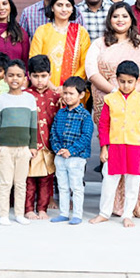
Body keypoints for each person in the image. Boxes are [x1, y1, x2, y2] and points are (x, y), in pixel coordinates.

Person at [94, 60, 140, 227]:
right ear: (116, 80)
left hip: (135, 146)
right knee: (109, 181)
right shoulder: (110, 100)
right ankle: (104, 213)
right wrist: (104, 148)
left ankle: (128, 214)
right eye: (122, 81)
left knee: (133, 182)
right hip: (115, 146)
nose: (126, 85)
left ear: (137, 81)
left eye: (130, 82)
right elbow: (103, 125)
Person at [0, 58, 40, 225]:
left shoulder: (29, 99)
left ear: (25, 78)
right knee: (5, 182)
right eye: (11, 75)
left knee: (20, 183)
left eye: (18, 75)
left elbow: (33, 125)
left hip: (24, 148)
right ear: (5, 78)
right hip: (5, 148)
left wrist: (32, 146)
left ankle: (19, 214)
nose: (14, 79)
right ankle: (3, 214)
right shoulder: (1, 99)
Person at [28, 0, 91, 93]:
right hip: (44, 89)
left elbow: (85, 65)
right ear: (52, 8)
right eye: (59, 5)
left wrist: (67, 88)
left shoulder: (81, 32)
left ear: (72, 9)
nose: (64, 9)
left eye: (68, 5)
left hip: (73, 92)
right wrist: (52, 87)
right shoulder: (42, 31)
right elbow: (34, 61)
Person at [49, 77, 94, 224]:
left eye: (71, 93)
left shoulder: (85, 115)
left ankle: (77, 215)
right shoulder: (60, 113)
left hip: (76, 158)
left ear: (81, 95)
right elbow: (53, 133)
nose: (67, 96)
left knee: (76, 187)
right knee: (62, 186)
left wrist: (71, 151)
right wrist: (58, 149)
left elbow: (86, 137)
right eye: (65, 93)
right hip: (60, 156)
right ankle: (63, 213)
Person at [23, 54, 61, 219]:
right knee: (28, 179)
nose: (39, 80)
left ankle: (42, 209)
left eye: (43, 76)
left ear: (50, 75)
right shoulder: (24, 95)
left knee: (46, 179)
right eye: (36, 76)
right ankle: (28, 209)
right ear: (29, 75)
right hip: (30, 144)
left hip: (48, 145)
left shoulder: (56, 96)